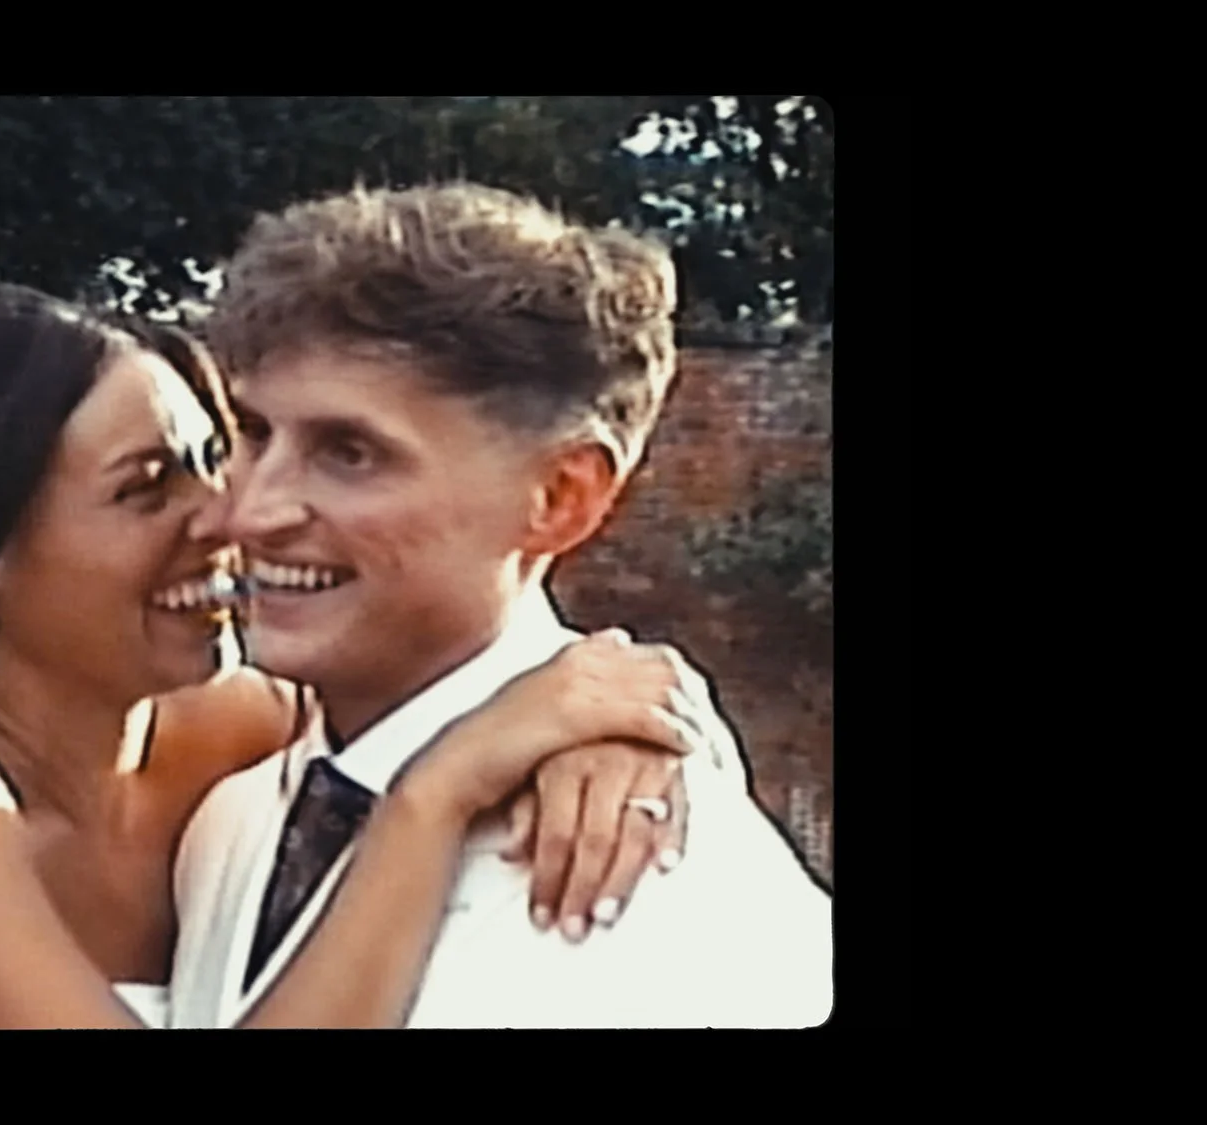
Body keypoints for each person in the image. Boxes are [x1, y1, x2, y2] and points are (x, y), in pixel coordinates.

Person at [0, 258, 730, 1029]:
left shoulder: (242, 726)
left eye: (208, 455)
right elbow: (448, 750)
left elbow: (460, 687)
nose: (230, 514)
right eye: (145, 487)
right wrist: (429, 798)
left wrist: (611, 729)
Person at [166, 183, 833, 1029]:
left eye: (350, 453)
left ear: (561, 495)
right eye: (251, 435)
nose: (250, 511)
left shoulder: (683, 892)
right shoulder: (229, 823)